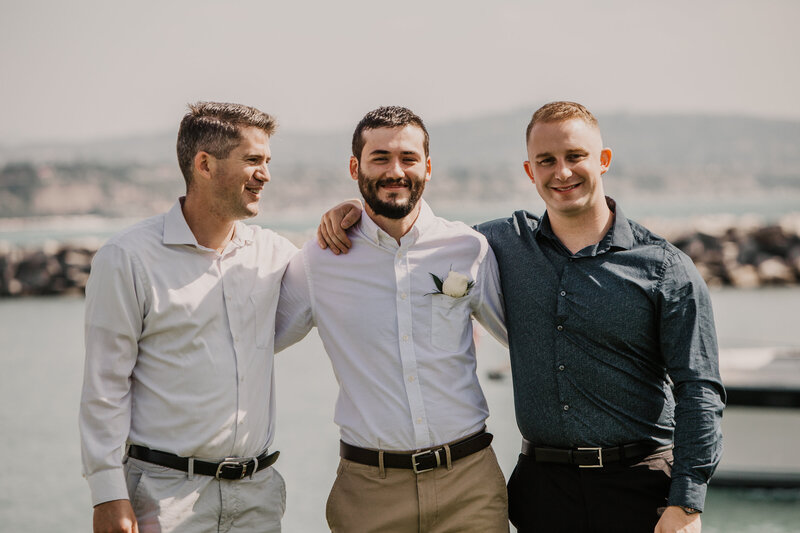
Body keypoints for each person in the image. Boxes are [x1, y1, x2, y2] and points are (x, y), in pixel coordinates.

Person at [316, 101, 726, 533]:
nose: (561, 173)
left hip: (640, 487)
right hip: (542, 492)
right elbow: (417, 231)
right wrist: (357, 212)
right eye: (546, 161)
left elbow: (700, 390)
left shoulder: (664, 267)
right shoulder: (496, 244)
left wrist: (687, 503)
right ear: (530, 171)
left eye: (575, 157)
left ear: (603, 160)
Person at [275, 106, 509, 532]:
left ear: (428, 167)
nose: (395, 171)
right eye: (380, 158)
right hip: (369, 492)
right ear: (355, 167)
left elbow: (522, 337)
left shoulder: (468, 247)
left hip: (470, 485)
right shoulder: (319, 260)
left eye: (408, 158)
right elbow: (255, 340)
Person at [79, 102, 298, 533]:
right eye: (253, 160)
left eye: (268, 161)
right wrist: (107, 494)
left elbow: (338, 289)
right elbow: (105, 385)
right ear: (204, 164)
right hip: (164, 497)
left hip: (258, 497)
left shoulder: (276, 255)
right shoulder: (126, 258)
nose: (266, 174)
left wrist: (348, 216)